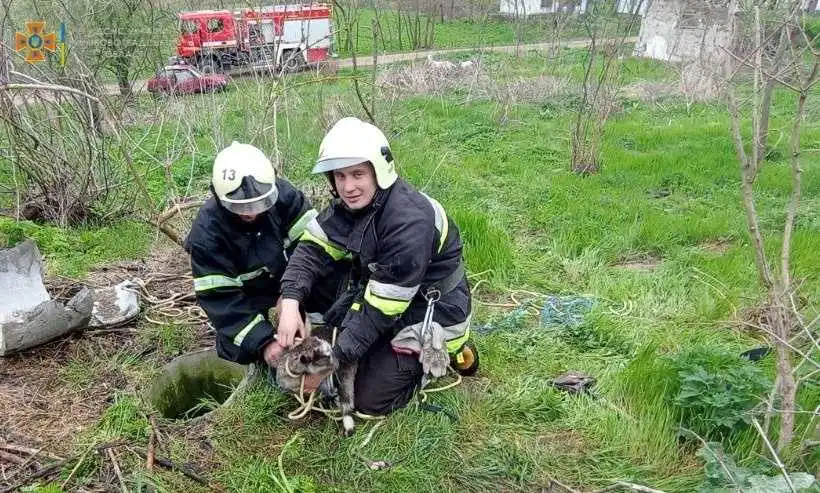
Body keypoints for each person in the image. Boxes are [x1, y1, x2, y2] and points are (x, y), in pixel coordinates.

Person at [276, 117, 477, 416]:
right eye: (340, 176)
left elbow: (379, 311)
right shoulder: (353, 204)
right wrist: (291, 301)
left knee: (366, 399)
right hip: (386, 298)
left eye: (358, 174)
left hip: (432, 312)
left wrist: (331, 365)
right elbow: (312, 249)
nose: (348, 187)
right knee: (335, 334)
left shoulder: (409, 222)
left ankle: (443, 355)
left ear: (379, 171)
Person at [184, 141, 321, 366]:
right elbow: (221, 299)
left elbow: (314, 249)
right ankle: (261, 361)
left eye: (260, 203)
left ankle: (321, 330)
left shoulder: (286, 198)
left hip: (292, 278)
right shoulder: (207, 234)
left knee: (329, 289)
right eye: (241, 206)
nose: (252, 213)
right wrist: (265, 343)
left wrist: (291, 297)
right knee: (236, 343)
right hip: (247, 294)